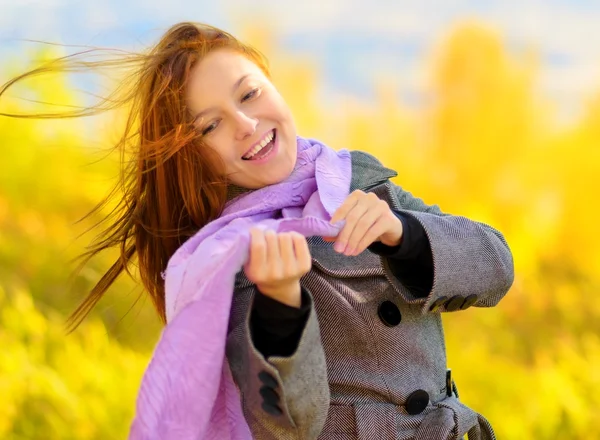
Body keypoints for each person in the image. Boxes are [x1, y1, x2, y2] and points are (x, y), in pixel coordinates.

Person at [1, 22, 514, 439]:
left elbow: (497, 267)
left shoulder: (358, 180)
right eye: (209, 126)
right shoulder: (232, 258)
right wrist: (280, 305)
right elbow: (287, 429)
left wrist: (406, 234)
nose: (245, 124)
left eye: (249, 93)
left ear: (272, 83)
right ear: (193, 157)